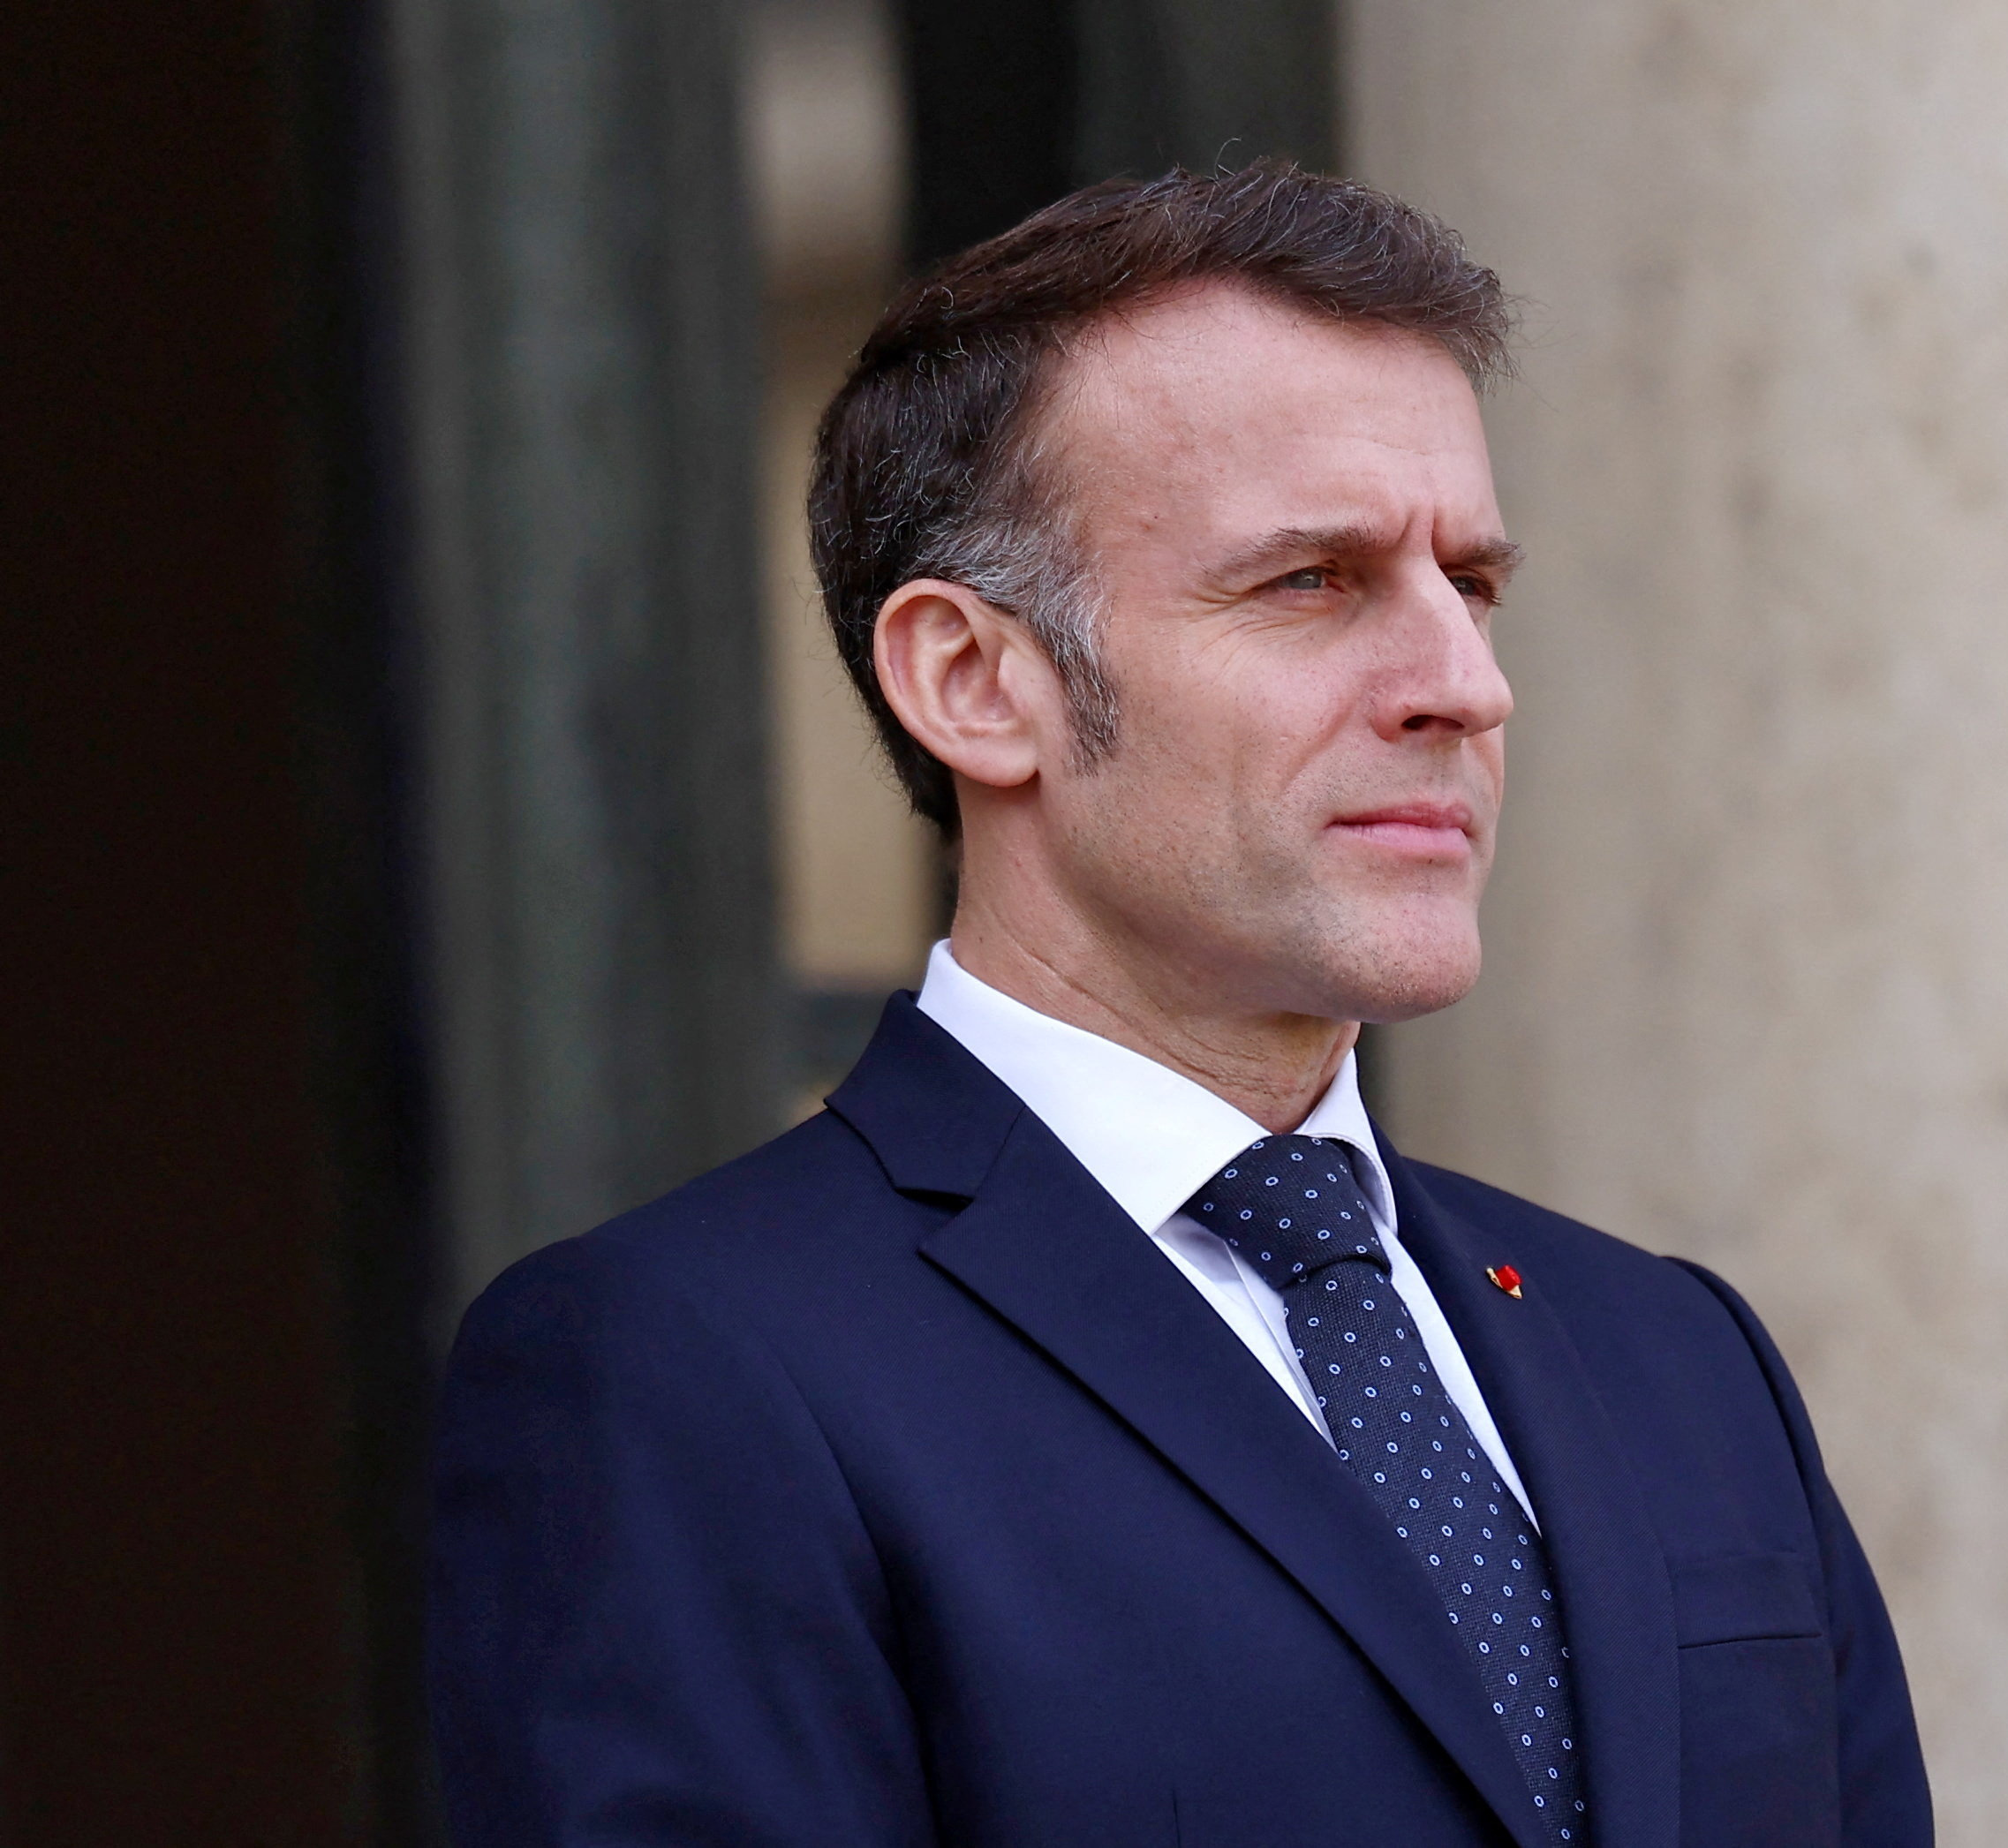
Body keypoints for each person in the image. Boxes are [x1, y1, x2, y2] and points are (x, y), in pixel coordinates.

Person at [428, 161, 1931, 1848]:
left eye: (1474, 583)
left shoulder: (1676, 1352)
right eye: (1313, 582)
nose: (1465, 683)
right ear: (975, 681)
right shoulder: (685, 1372)